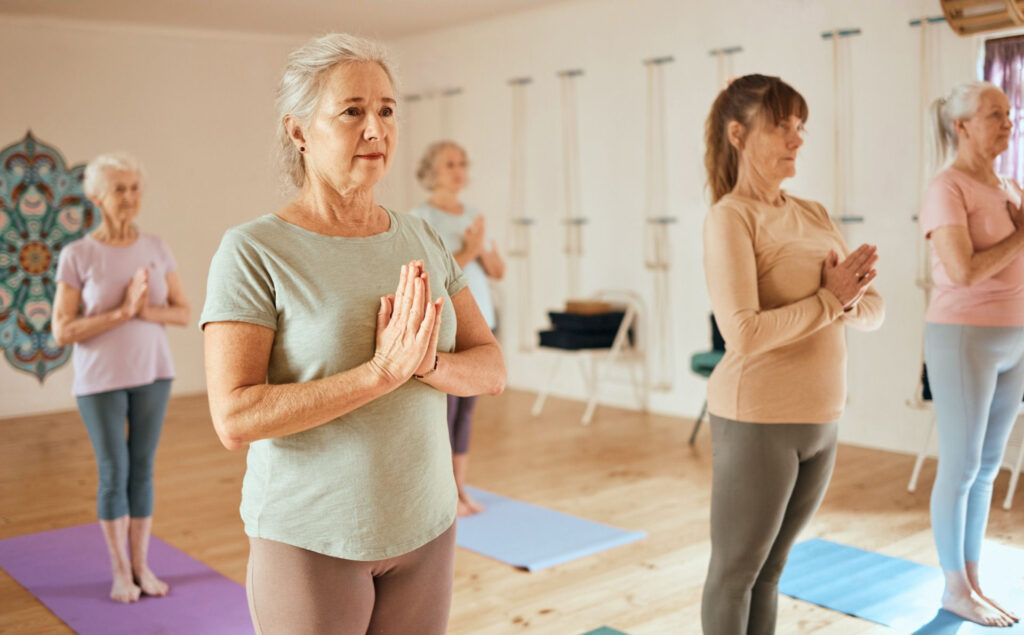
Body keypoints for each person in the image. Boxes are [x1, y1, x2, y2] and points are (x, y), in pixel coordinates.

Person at [200, 33, 505, 634]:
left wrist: (424, 364)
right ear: (298, 131)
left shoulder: (421, 235)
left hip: (428, 529)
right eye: (352, 111)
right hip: (313, 538)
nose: (376, 129)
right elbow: (233, 417)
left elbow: (491, 368)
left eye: (387, 110)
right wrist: (380, 373)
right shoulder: (254, 250)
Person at [700, 74, 884, 633]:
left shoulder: (814, 213)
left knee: (773, 571)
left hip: (822, 419)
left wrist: (844, 302)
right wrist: (832, 300)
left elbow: (874, 309)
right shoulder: (731, 218)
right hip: (758, 418)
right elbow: (743, 334)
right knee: (737, 572)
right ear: (738, 134)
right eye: (781, 127)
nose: (796, 139)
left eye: (799, 127)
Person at [52, 152, 191, 603]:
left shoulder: (155, 246)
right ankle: (118, 574)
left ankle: (141, 567)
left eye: (134, 188)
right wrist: (120, 314)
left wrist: (141, 310)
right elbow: (62, 329)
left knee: (142, 472)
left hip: (154, 373)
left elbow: (184, 311)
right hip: (99, 381)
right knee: (115, 472)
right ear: (95, 196)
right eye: (119, 189)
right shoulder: (78, 254)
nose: (129, 197)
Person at [920, 80, 1022, 628]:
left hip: (1015, 338)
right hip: (963, 338)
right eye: (994, 114)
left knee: (986, 470)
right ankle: (952, 588)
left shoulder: (1010, 184)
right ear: (961, 126)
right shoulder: (947, 187)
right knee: (959, 467)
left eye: (1009, 112)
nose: (1008, 121)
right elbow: (961, 271)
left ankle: (974, 580)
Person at [410, 140, 505, 516]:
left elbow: (498, 271)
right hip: (446, 328)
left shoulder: (476, 215)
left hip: (482, 322)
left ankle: (460, 489)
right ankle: (443, 494)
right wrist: (467, 249)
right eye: (450, 163)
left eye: (463, 162)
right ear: (431, 170)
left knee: (466, 413)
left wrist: (479, 248)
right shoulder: (420, 218)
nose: (458, 170)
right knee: (444, 414)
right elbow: (432, 276)